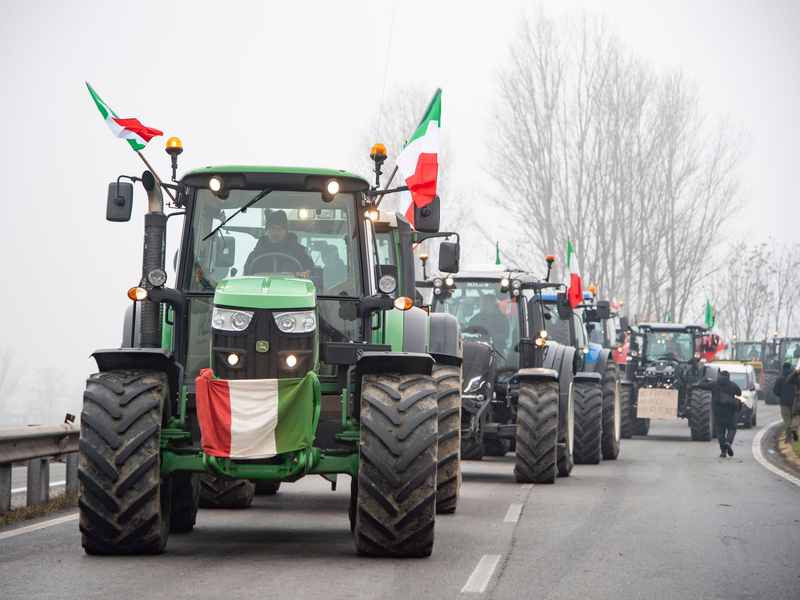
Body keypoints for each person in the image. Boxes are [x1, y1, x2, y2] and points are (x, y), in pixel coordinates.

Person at [244, 210, 315, 276]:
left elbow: (312, 278)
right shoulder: (254, 256)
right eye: (272, 228)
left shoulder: (301, 254)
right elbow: (246, 280)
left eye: (280, 229)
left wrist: (305, 276)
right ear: (267, 230)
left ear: (285, 232)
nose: (276, 233)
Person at [698, 370, 742, 458]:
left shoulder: (714, 384)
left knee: (720, 431)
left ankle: (723, 451)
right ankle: (728, 442)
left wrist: (706, 379)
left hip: (717, 412)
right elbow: (739, 393)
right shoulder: (732, 385)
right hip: (730, 412)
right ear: (728, 377)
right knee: (732, 429)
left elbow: (701, 385)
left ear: (719, 376)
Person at [773, 362, 799, 442]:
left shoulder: (780, 379)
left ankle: (788, 438)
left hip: (784, 402)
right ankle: (794, 428)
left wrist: (781, 395)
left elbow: (775, 390)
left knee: (786, 419)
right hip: (794, 401)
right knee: (794, 416)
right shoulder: (796, 377)